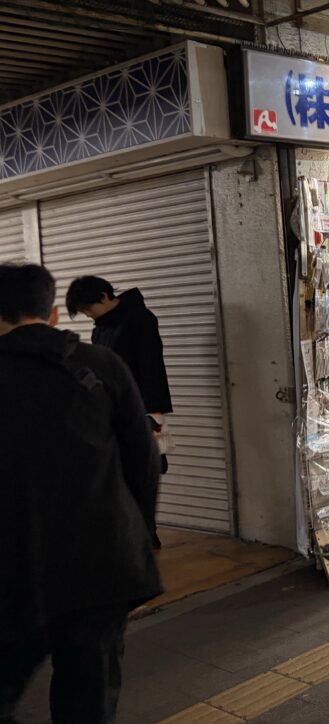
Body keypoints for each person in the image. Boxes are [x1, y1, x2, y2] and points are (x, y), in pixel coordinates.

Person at [0, 263, 162, 723]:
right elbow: (144, 464)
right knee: (88, 701)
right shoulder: (100, 365)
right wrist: (134, 535)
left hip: (13, 572)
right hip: (101, 565)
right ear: (52, 313)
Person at [66, 277, 173, 474]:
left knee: (145, 468)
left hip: (140, 408)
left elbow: (152, 367)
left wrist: (154, 412)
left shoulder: (141, 319)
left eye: (88, 309)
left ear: (104, 296)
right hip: (113, 410)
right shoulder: (100, 329)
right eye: (83, 311)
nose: (88, 315)